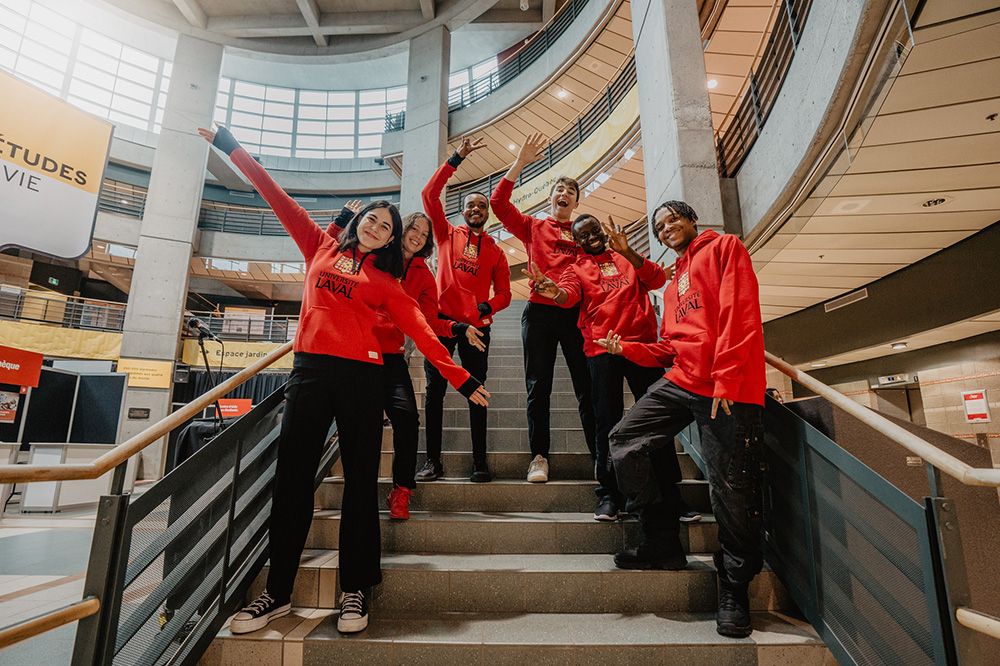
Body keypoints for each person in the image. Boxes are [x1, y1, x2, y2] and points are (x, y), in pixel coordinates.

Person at [199, 126, 490, 636]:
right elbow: (274, 193)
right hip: (309, 375)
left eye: (386, 227)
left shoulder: (386, 282)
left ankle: (355, 589)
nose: (377, 228)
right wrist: (228, 144)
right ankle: (278, 592)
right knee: (290, 483)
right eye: (372, 220)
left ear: (392, 240)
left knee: (359, 485)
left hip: (362, 378)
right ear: (358, 221)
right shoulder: (317, 246)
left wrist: (460, 377)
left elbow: (421, 329)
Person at [596, 200, 765, 638]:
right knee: (624, 439)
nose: (667, 227)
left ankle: (733, 587)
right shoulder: (672, 285)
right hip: (684, 380)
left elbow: (739, 311)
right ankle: (661, 541)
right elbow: (669, 348)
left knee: (730, 490)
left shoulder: (725, 247)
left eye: (673, 219)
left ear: (692, 220)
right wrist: (626, 350)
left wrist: (727, 376)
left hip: (729, 388)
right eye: (660, 225)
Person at [327, 203, 487, 517]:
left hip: (391, 355)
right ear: (402, 229)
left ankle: (401, 491)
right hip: (357, 355)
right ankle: (360, 493)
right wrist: (341, 220)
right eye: (414, 228)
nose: (417, 236)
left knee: (406, 418)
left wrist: (458, 327)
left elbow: (426, 323)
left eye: (424, 234)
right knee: (364, 426)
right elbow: (333, 253)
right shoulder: (377, 256)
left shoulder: (425, 278)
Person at [523, 214, 665, 521]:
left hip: (643, 347)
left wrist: (628, 251)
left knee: (657, 421)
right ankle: (608, 495)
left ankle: (670, 495)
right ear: (577, 243)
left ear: (602, 231)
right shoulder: (577, 268)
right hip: (602, 351)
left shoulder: (626, 257)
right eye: (583, 236)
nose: (591, 238)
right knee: (606, 424)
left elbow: (657, 279)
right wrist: (554, 291)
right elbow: (568, 294)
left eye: (594, 231)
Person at [490, 133, 596, 483]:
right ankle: (539, 456)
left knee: (587, 386)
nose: (563, 195)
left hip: (574, 314)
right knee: (539, 386)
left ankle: (601, 457)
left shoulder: (583, 236)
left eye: (570, 192)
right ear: (551, 200)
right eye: (558, 191)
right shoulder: (534, 227)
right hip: (538, 313)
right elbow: (499, 204)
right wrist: (519, 161)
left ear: (576, 201)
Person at [418, 137, 511, 482]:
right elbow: (429, 195)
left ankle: (479, 463)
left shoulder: (496, 252)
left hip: (476, 328)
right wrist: (456, 159)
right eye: (470, 205)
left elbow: (504, 293)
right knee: (435, 393)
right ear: (463, 210)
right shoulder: (445, 234)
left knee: (477, 389)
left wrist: (487, 305)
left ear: (487, 214)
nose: (475, 210)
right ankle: (432, 462)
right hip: (441, 324)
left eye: (481, 207)